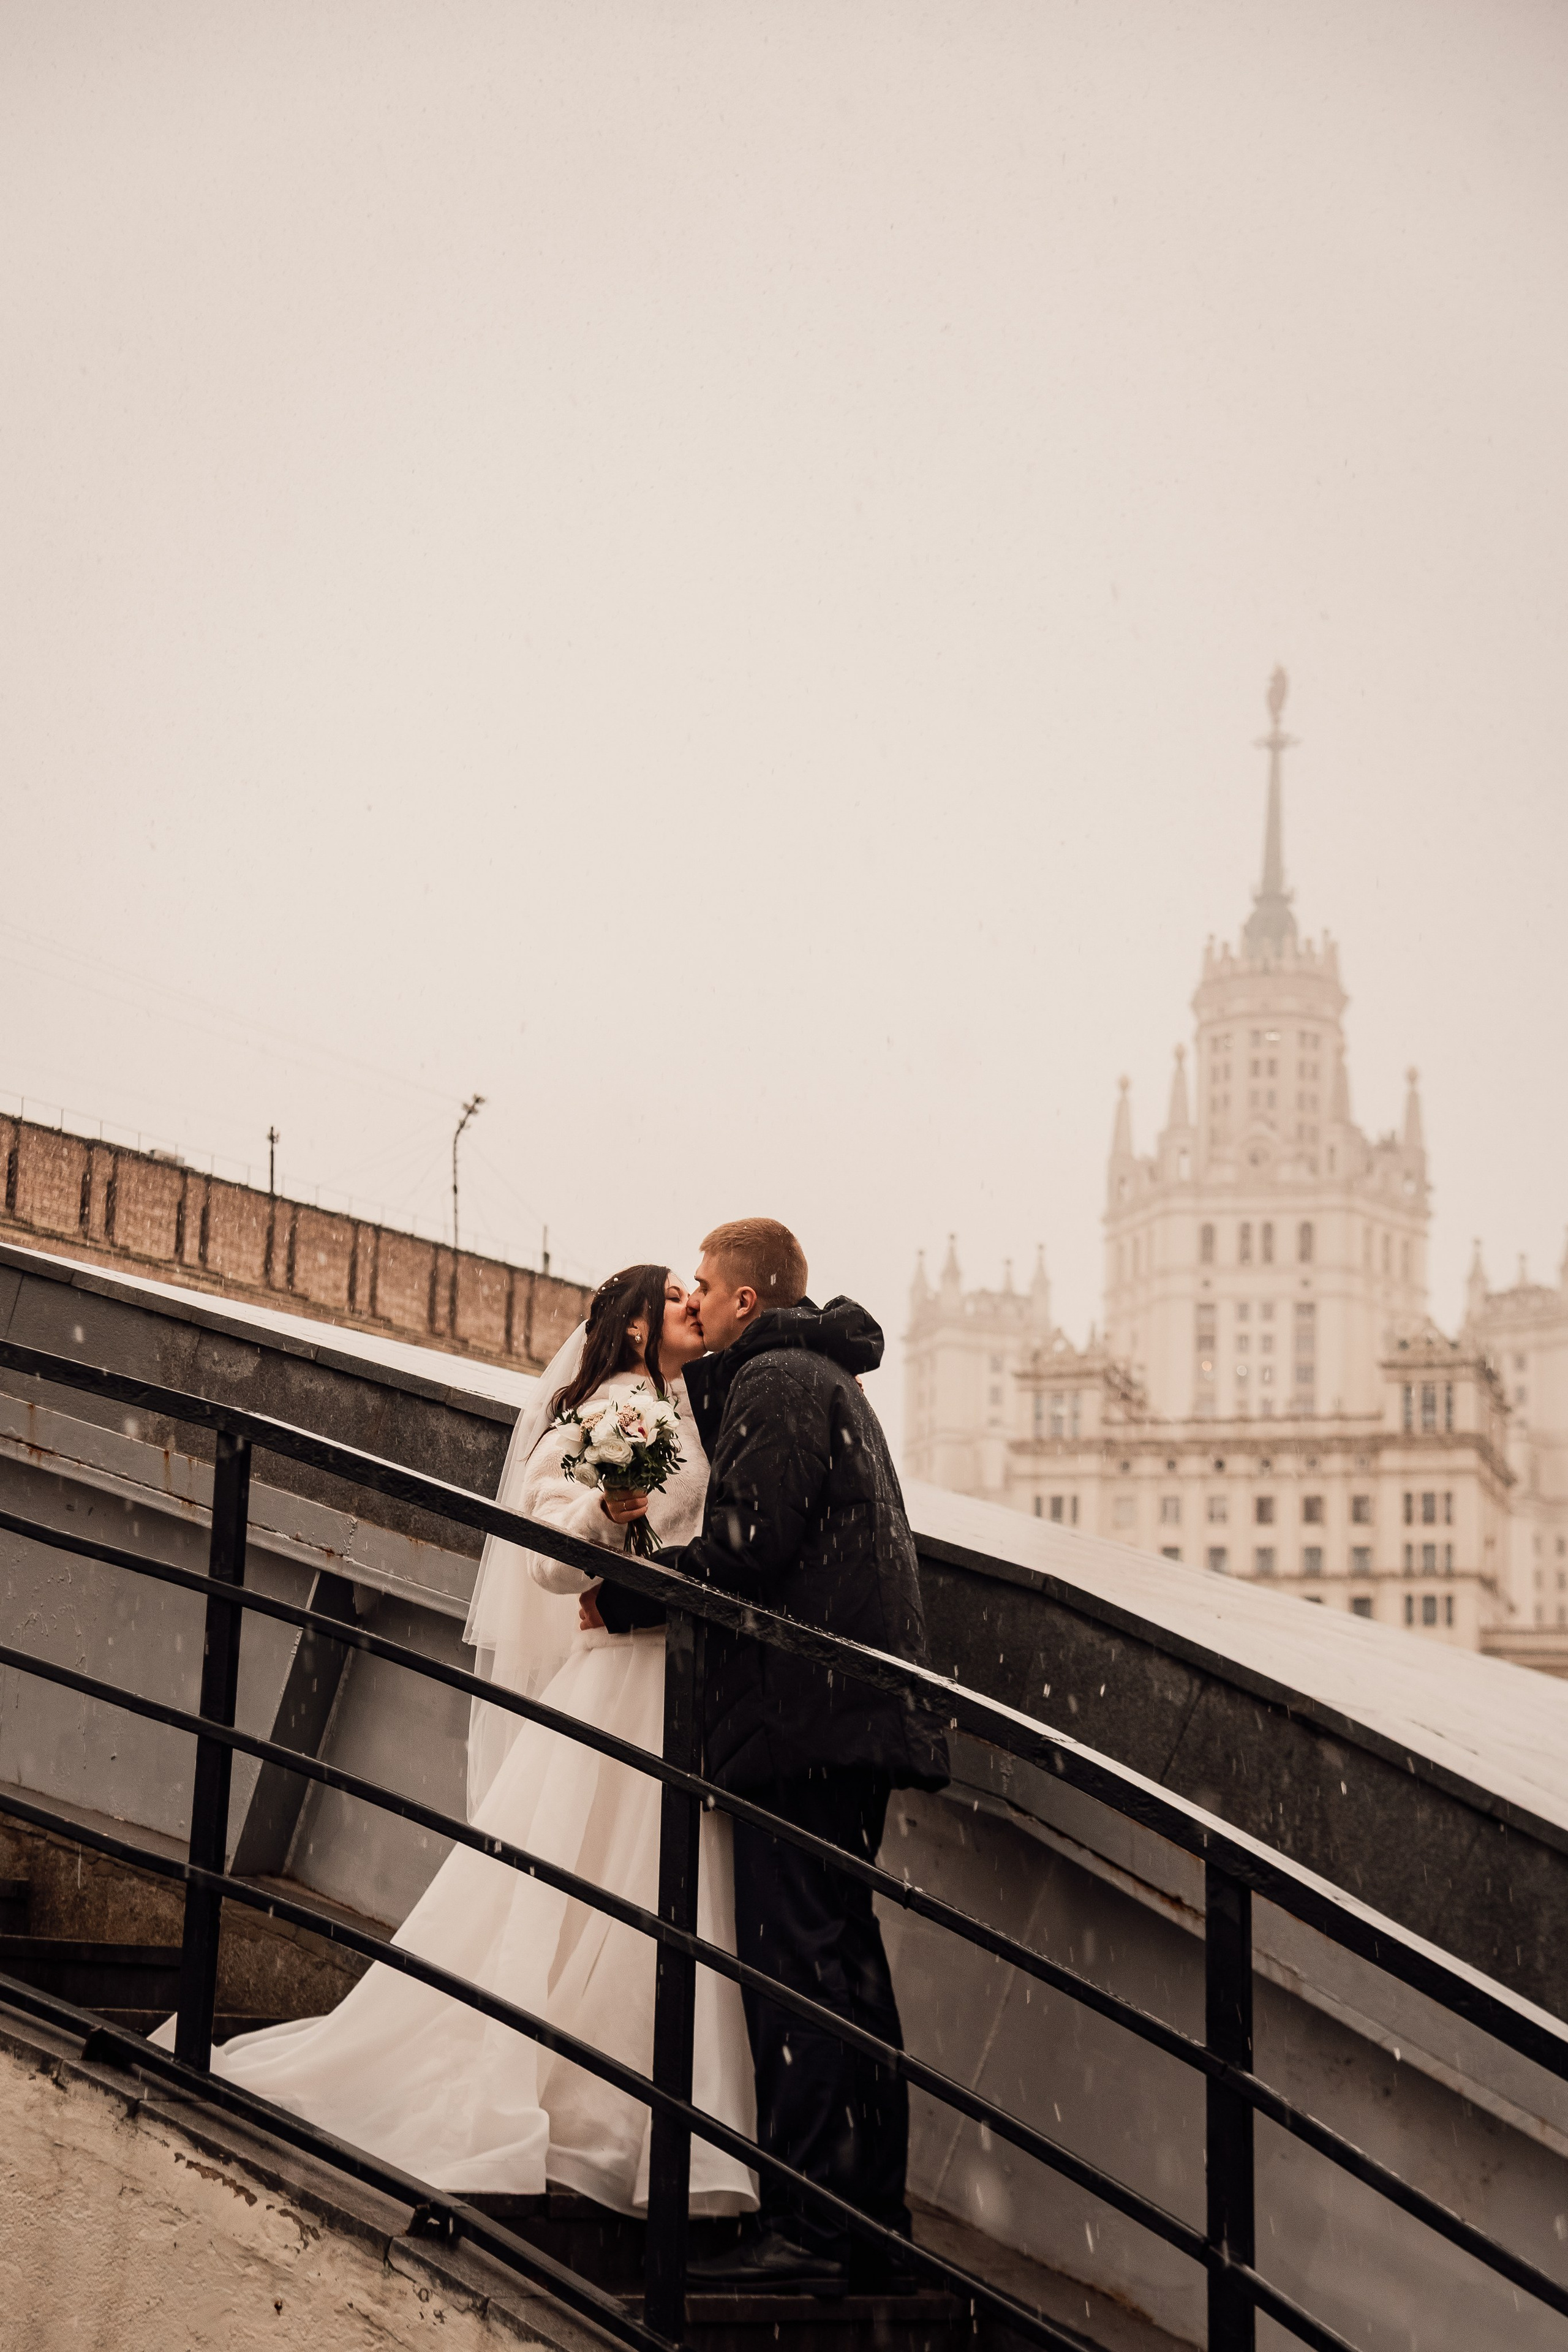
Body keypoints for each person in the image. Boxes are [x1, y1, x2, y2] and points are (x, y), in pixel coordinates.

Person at [153, 1265, 757, 2218]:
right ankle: (592, 2105)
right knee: (595, 1886)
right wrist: (608, 1514)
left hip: (671, 1683)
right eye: (676, 1297)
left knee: (647, 1890)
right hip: (621, 1680)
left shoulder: (687, 1409)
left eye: (699, 1294)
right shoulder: (610, 1414)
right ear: (638, 1330)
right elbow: (549, 1556)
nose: (693, 1306)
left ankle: (636, 2113)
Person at [597, 1219, 949, 2293]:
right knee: (840, 1963)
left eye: (705, 1285)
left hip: (804, 1722)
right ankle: (868, 2224)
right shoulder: (818, 1375)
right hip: (839, 1719)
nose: (695, 1299)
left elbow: (750, 1546)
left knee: (796, 1970)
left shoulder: (780, 1380)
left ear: (746, 1300)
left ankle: (812, 2228)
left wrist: (630, 1594)